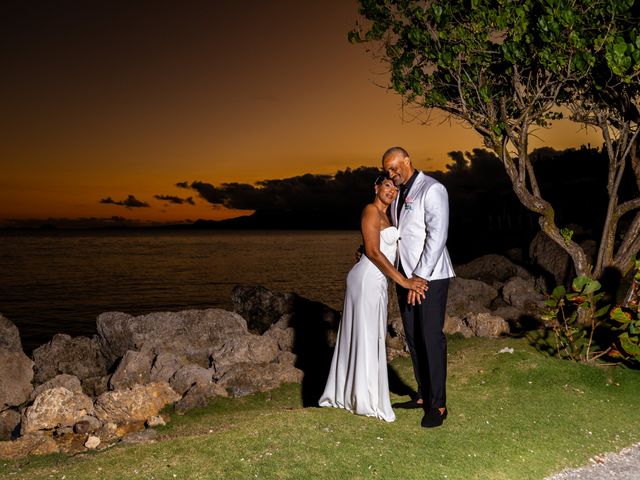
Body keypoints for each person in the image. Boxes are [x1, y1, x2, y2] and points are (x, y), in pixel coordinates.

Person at [319, 176, 427, 422]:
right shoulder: (370, 209)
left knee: (372, 334)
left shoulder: (389, 216)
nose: (391, 190)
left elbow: (374, 243)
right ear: (376, 187)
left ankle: (355, 392)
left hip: (377, 280)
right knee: (367, 335)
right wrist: (404, 281)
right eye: (386, 185)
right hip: (367, 278)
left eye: (395, 187)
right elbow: (373, 252)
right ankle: (364, 398)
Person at [382, 146, 455, 428]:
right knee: (412, 337)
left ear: (407, 161)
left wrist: (420, 278)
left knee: (430, 337)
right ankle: (423, 395)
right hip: (405, 277)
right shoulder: (398, 193)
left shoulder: (433, 189)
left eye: (394, 167)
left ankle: (438, 405)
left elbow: (438, 235)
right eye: (387, 169)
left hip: (430, 278)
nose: (391, 173)